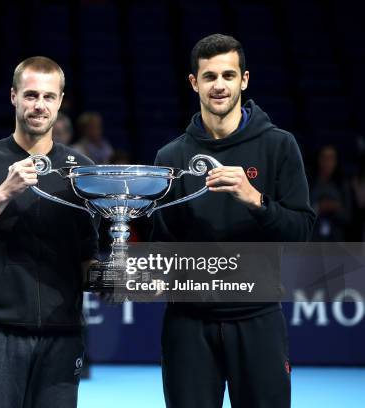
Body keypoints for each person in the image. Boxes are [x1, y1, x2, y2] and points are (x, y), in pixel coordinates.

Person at [151, 34, 316, 408]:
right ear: (195, 83)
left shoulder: (279, 146)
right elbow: (162, 246)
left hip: (258, 319)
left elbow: (302, 232)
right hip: (187, 324)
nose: (219, 85)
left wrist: (255, 199)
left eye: (228, 75)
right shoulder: (170, 156)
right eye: (209, 77)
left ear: (244, 79)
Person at [0, 56, 99, 408]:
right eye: (30, 95)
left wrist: (115, 278)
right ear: (13, 97)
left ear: (60, 101)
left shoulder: (84, 170)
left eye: (48, 96)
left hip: (62, 337)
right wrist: (4, 192)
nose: (39, 105)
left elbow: (89, 255)